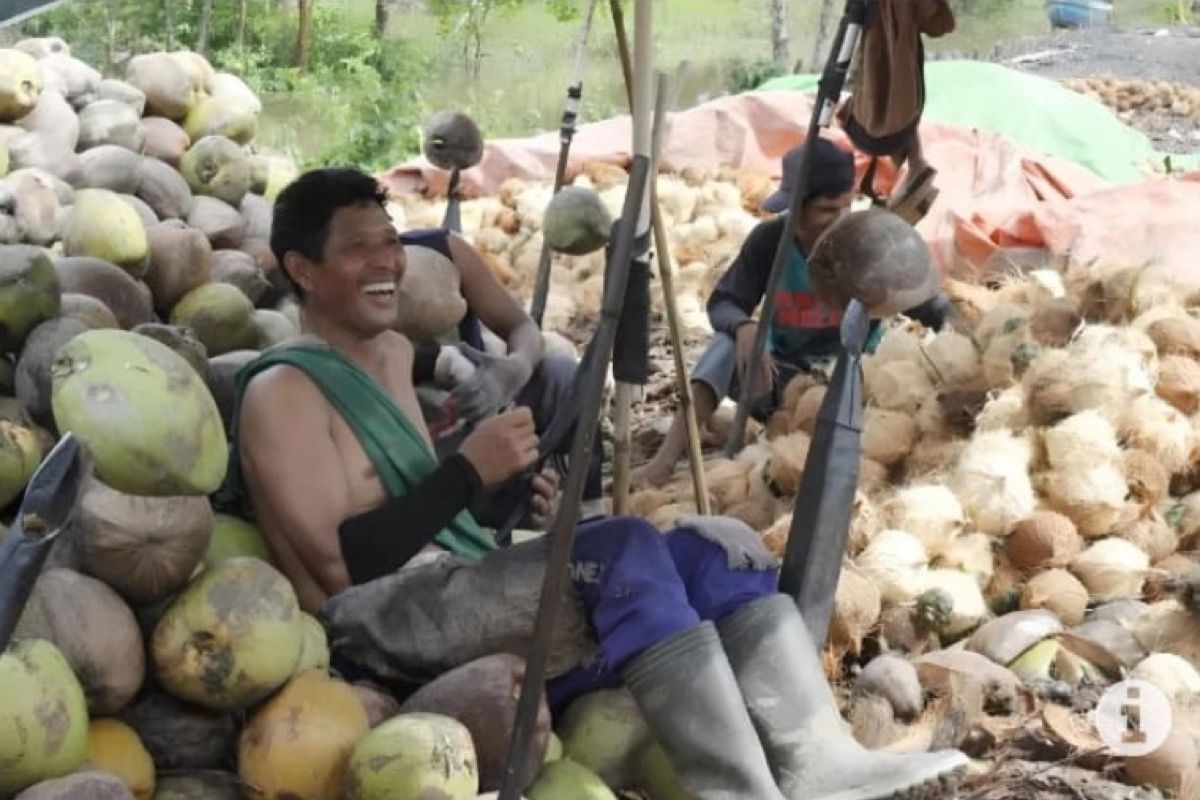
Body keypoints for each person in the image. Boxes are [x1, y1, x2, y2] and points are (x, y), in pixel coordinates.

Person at [223, 167, 966, 800]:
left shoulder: (388, 353)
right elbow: (344, 567)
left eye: (390, 241)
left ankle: (821, 765)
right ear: (301, 269)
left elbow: (430, 517)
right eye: (359, 249)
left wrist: (507, 498)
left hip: (441, 586)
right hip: (371, 626)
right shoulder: (282, 393)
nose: (387, 263)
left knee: (711, 555)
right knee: (620, 546)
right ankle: (735, 789)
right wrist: (465, 473)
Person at [635, 139, 895, 488]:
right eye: (826, 210)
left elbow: (923, 298)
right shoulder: (770, 241)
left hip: (849, 386)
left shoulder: (864, 244)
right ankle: (664, 462)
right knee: (725, 345)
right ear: (795, 209)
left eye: (845, 208)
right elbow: (724, 302)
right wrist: (744, 326)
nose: (838, 221)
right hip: (778, 379)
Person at [395, 226, 606, 528]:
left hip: (487, 407)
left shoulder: (445, 249)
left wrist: (515, 366)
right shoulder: (328, 298)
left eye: (386, 237)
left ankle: (587, 515)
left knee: (563, 377)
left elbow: (522, 326)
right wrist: (438, 363)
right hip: (422, 445)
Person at [838, 0, 956, 222]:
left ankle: (911, 167)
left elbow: (938, 24)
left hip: (892, 74)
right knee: (887, 105)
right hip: (892, 75)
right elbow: (937, 23)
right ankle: (912, 165)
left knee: (886, 105)